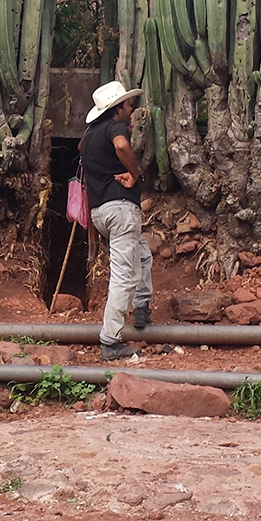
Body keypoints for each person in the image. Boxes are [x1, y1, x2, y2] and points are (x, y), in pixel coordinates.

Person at [80, 79, 153, 361]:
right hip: (120, 208)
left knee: (142, 255)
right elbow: (122, 145)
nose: (131, 109)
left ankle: (142, 306)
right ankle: (110, 341)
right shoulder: (115, 127)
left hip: (100, 211)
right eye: (127, 104)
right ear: (117, 109)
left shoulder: (89, 136)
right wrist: (133, 173)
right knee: (125, 274)